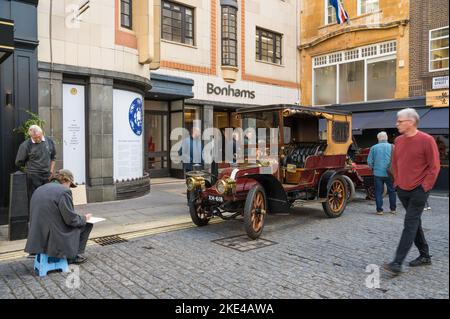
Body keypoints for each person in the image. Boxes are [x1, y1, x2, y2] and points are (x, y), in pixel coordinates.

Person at [384, 108, 440, 276]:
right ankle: (424, 256)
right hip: (402, 189)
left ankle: (397, 262)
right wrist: (397, 182)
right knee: (415, 223)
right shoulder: (398, 141)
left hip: (419, 191)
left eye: (400, 121)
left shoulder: (427, 140)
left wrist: (424, 188)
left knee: (410, 223)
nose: (397, 123)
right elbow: (394, 164)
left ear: (411, 122)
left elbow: (434, 167)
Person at [24, 169, 93, 265]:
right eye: (70, 184)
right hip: (53, 237)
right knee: (87, 224)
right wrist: (84, 218)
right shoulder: (64, 191)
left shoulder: (40, 188)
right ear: (65, 180)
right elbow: (71, 220)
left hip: (37, 237)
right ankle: (72, 256)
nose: (70, 187)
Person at [15, 125, 56, 204]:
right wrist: (30, 168)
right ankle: (34, 216)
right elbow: (19, 162)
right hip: (33, 177)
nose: (37, 139)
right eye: (35, 138)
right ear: (30, 136)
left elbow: (53, 158)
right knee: (34, 199)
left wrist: (51, 171)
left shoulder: (49, 141)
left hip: (47, 176)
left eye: (39, 137)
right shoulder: (25, 145)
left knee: (47, 198)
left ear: (42, 133)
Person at [367, 131, 397, 215]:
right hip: (390, 173)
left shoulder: (374, 147)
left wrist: (373, 168)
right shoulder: (393, 147)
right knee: (392, 191)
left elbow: (369, 161)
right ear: (386, 138)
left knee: (378, 192)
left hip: (377, 173)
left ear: (378, 139)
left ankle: (379, 210)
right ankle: (393, 209)